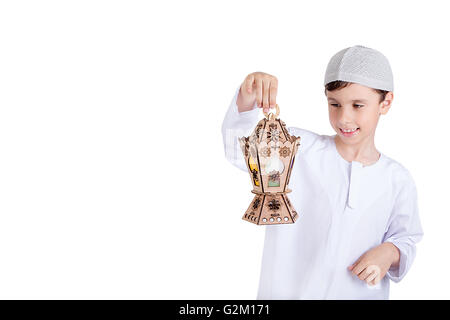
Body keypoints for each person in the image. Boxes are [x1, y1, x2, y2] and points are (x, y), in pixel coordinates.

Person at [221, 45, 424, 299]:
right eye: (334, 104)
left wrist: (390, 252)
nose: (344, 118)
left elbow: (406, 238)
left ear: (386, 102)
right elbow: (236, 148)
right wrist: (248, 97)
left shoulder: (397, 180)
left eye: (358, 105)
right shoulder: (298, 150)